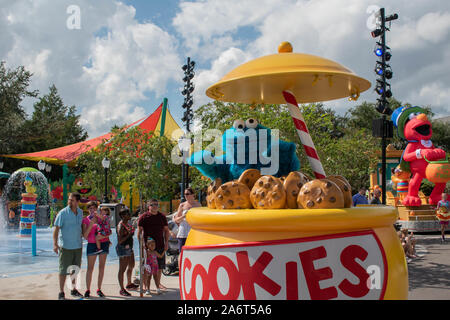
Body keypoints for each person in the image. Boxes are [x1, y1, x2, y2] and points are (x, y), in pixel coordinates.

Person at [53, 192, 84, 300]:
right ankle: (61, 292)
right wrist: (55, 244)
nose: (69, 201)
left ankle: (73, 289)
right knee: (63, 270)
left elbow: (82, 228)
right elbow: (56, 229)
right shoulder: (63, 213)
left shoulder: (80, 212)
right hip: (65, 247)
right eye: (69, 200)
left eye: (72, 200)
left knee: (75, 269)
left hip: (78, 246)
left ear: (77, 202)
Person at [138, 199, 170, 291]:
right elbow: (139, 232)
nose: (155, 206)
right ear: (149, 206)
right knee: (146, 266)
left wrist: (166, 242)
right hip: (147, 247)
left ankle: (158, 284)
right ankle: (144, 284)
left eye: (156, 204)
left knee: (159, 266)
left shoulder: (162, 217)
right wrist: (142, 245)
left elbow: (166, 230)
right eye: (153, 205)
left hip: (160, 245)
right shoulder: (144, 217)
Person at [81, 202, 112, 298]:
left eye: (94, 208)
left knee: (101, 267)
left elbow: (108, 231)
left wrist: (106, 236)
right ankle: (88, 289)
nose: (92, 210)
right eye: (90, 208)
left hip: (103, 243)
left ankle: (99, 289)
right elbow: (85, 236)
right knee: (90, 268)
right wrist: (91, 224)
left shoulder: (101, 217)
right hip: (91, 244)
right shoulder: (85, 220)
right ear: (88, 209)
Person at [116, 208, 138, 296]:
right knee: (122, 269)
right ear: (122, 216)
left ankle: (129, 283)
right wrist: (129, 234)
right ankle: (122, 289)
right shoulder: (121, 226)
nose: (129, 215)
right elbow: (120, 241)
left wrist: (131, 232)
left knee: (131, 265)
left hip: (129, 248)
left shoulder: (127, 224)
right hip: (123, 249)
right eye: (127, 213)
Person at [173, 188, 201, 252]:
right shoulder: (182, 205)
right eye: (184, 194)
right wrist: (184, 216)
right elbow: (176, 220)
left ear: (193, 195)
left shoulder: (198, 205)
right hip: (183, 233)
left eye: (187, 194)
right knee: (182, 253)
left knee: (194, 252)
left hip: (194, 232)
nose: (185, 196)